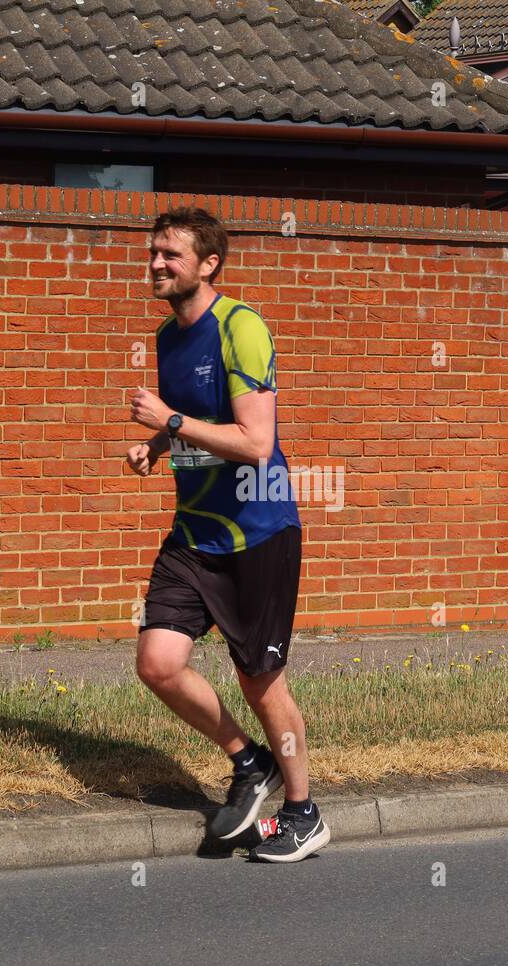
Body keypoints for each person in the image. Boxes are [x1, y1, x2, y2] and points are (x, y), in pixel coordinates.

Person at [125, 207, 329, 863]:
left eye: (170, 255)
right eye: (154, 252)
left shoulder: (241, 327)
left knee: (259, 680)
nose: (157, 263)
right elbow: (196, 425)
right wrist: (157, 444)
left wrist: (171, 418)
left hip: (258, 530)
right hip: (195, 531)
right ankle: (249, 762)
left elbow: (255, 442)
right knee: (157, 662)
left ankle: (303, 813)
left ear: (209, 263)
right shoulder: (166, 338)